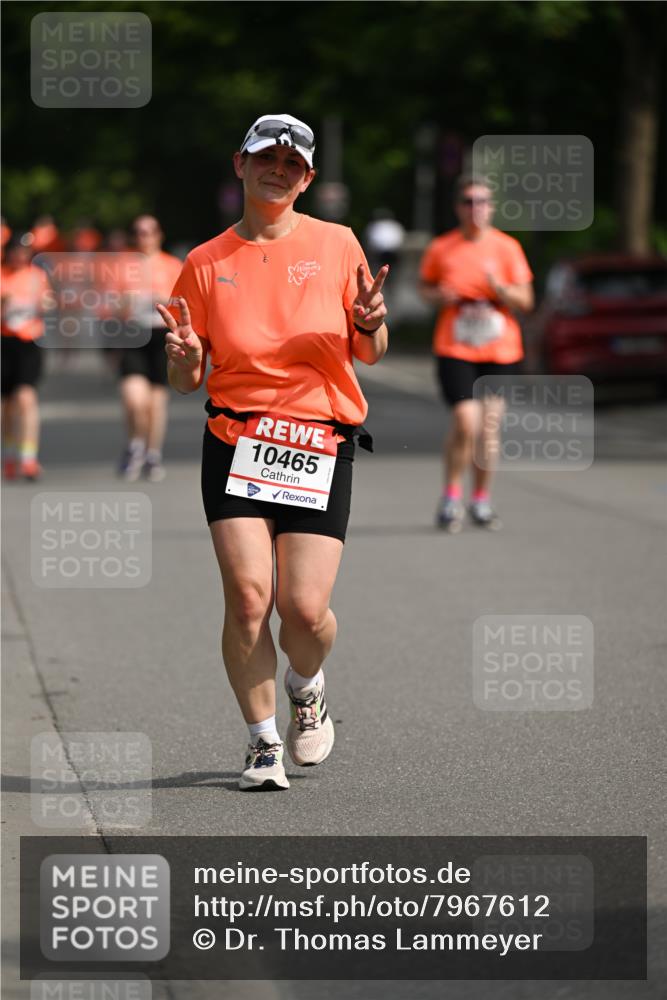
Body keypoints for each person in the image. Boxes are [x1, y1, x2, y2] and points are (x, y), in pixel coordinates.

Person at [157, 114, 388, 791]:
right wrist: (185, 357)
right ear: (240, 164)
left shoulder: (338, 243)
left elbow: (367, 351)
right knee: (250, 597)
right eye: (267, 158)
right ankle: (262, 744)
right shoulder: (202, 263)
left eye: (293, 164)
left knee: (305, 610)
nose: (278, 170)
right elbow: (183, 378)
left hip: (318, 440)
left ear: (307, 177)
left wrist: (370, 323)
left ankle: (306, 686)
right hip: (237, 440)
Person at [419, 176, 534, 531]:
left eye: (482, 201)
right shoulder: (442, 247)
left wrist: (500, 289)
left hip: (499, 350)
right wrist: (441, 296)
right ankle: (452, 495)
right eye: (469, 201)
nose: (476, 208)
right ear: (458, 207)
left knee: (487, 427)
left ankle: (481, 500)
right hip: (456, 346)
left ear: (492, 207)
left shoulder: (507, 248)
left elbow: (527, 301)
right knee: (465, 422)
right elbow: (425, 290)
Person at [117, 215, 182, 482]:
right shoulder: (123, 266)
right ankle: (135, 444)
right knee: (134, 399)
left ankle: (152, 453)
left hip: (162, 336)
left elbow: (184, 302)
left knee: (155, 402)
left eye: (150, 231)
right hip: (133, 334)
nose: (144, 236)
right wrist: (126, 302)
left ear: (159, 234)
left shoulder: (172, 264)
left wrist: (162, 301)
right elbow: (110, 306)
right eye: (139, 232)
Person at [1, 234, 51, 480]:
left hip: (29, 343)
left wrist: (46, 304)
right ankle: (9, 456)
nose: (19, 256)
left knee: (26, 398)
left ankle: (29, 458)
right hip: (4, 342)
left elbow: (49, 303)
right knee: (7, 406)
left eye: (24, 252)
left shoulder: (37, 276)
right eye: (15, 251)